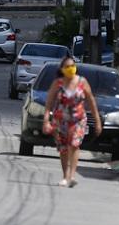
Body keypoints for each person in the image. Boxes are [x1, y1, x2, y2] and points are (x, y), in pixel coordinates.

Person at [43, 56, 103, 187]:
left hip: (78, 120)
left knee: (74, 144)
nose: (70, 69)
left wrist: (97, 121)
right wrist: (46, 120)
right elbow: (49, 102)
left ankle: (72, 176)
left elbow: (91, 101)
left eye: (72, 66)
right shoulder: (58, 83)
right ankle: (65, 176)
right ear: (62, 69)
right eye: (67, 67)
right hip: (60, 121)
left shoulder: (82, 82)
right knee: (63, 148)